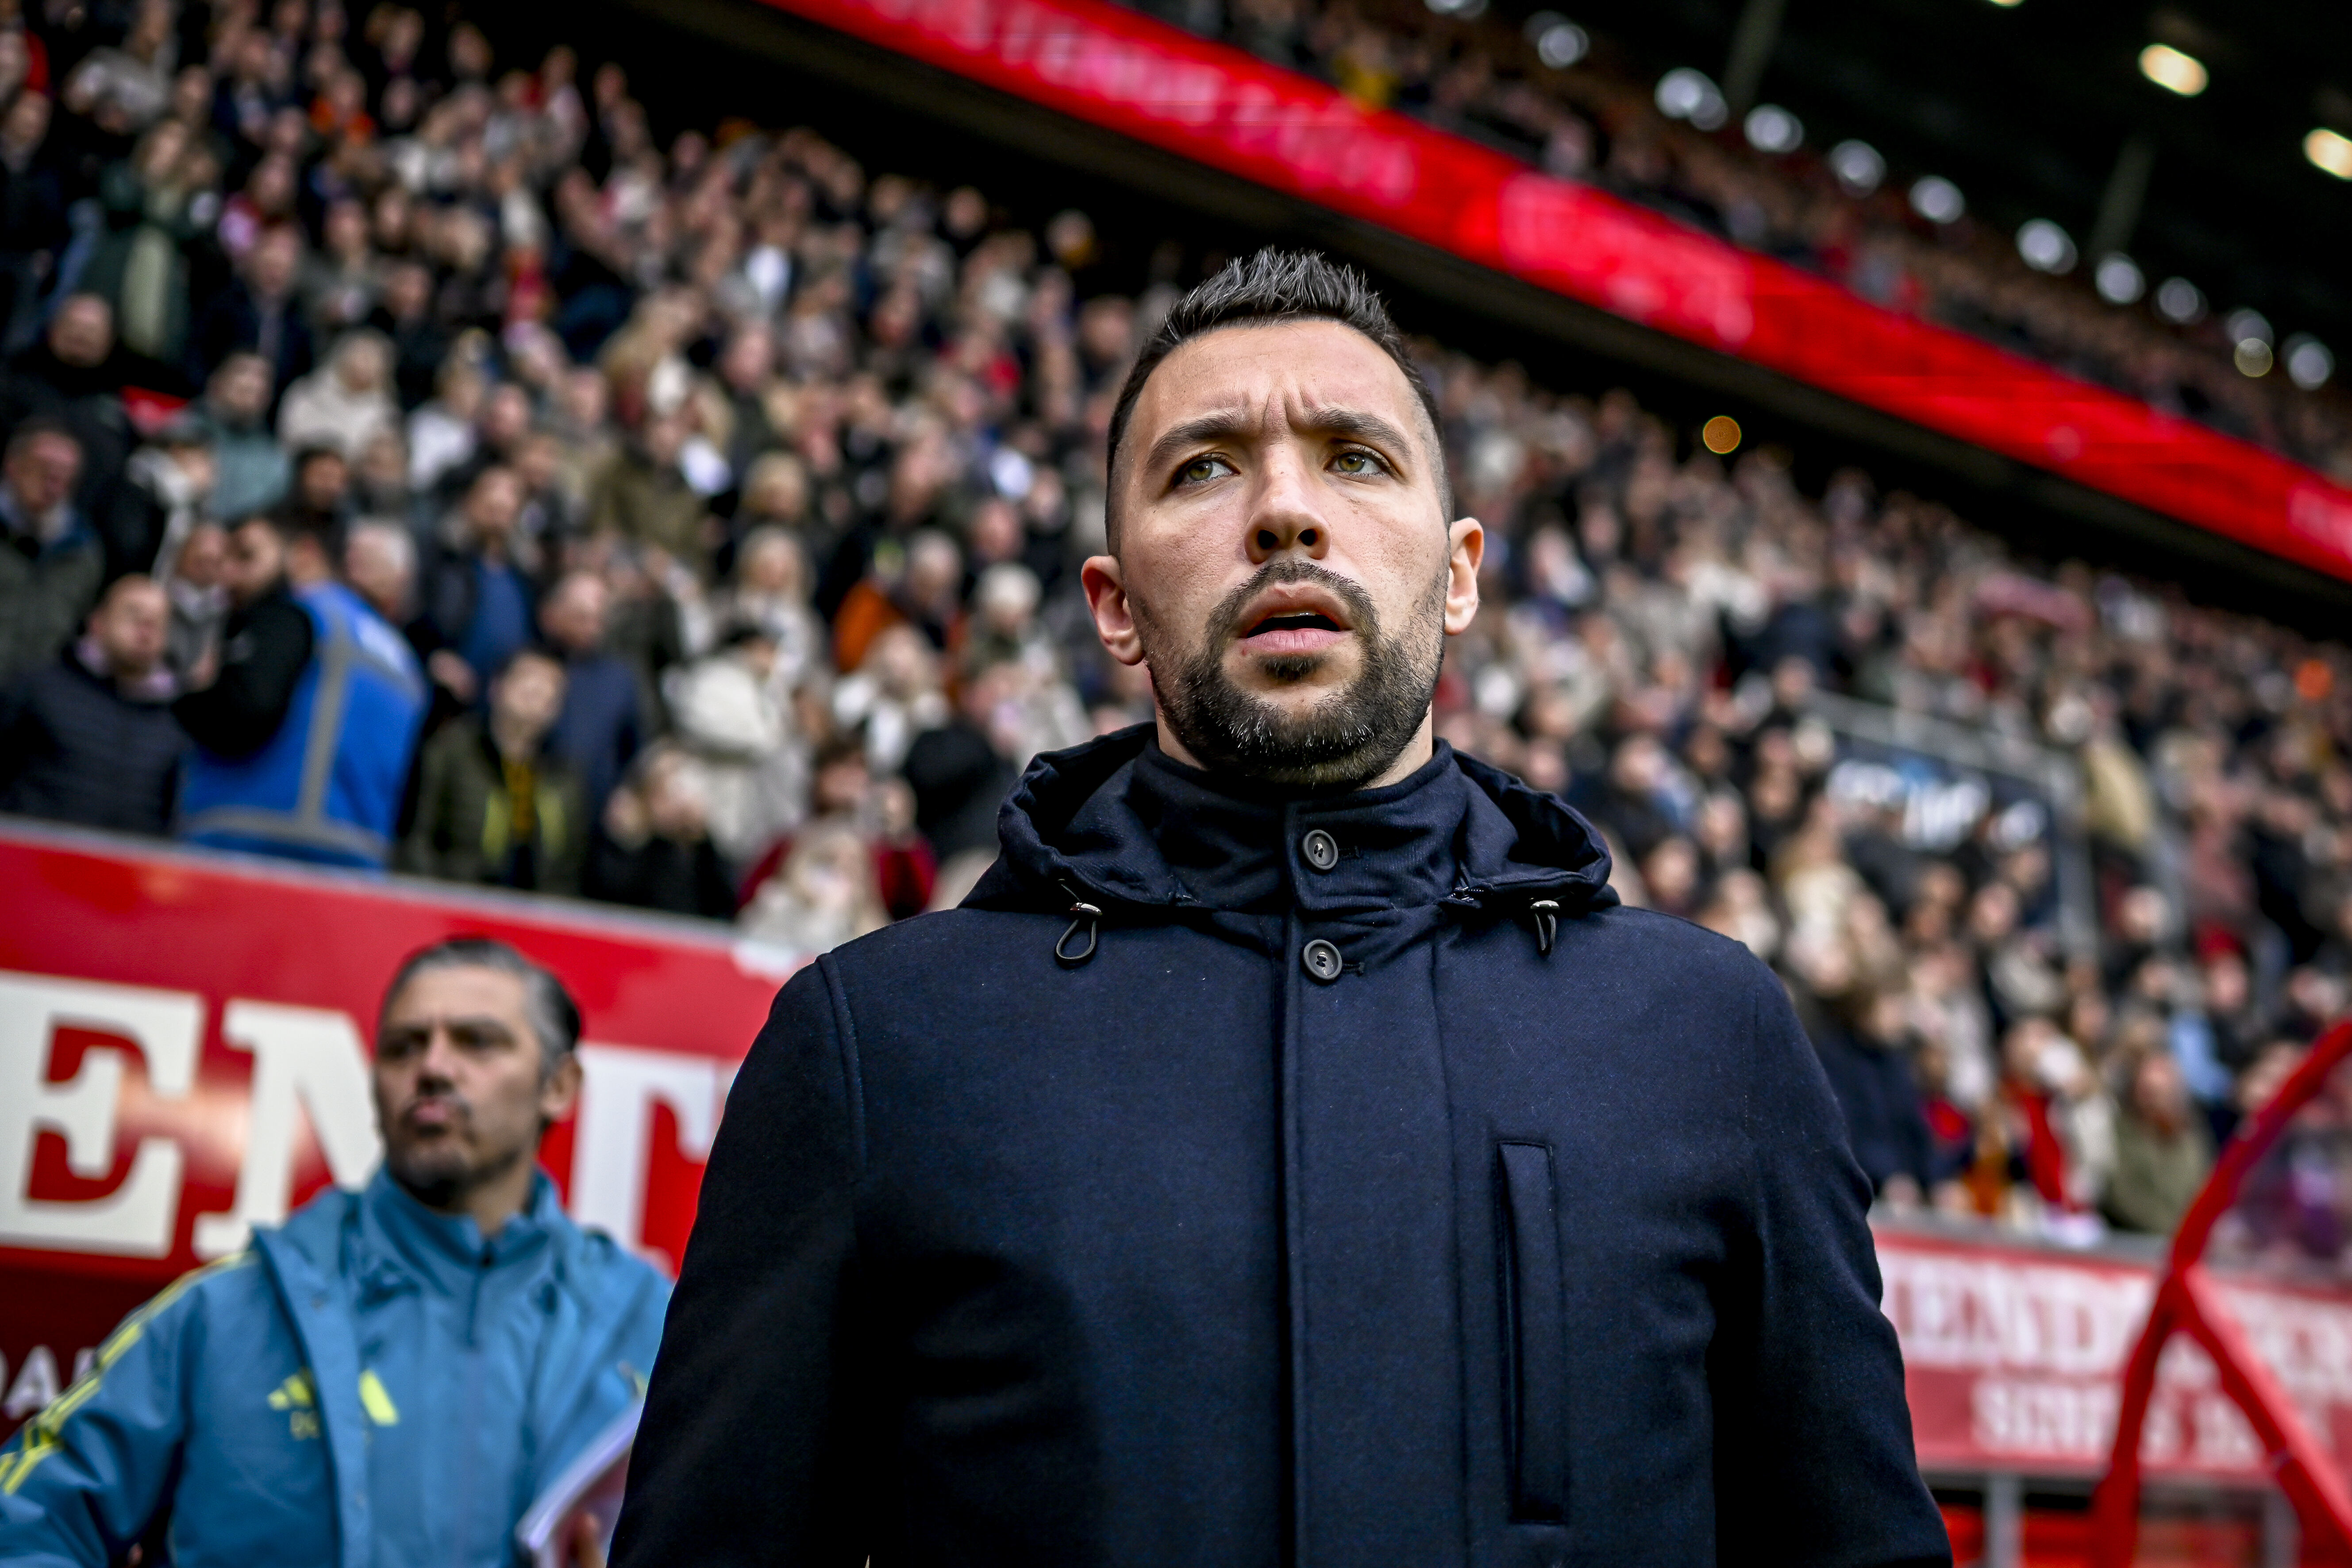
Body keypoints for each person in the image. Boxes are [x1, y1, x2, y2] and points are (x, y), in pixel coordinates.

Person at [614, 251, 1948, 1565]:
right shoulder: (876, 1043)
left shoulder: (1710, 1033)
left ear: (1460, 575)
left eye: (1355, 458)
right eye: (1204, 468)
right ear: (1114, 606)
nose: (1286, 513)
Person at [0, 937, 671, 1566]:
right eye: (404, 1047)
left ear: (559, 1085)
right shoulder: (226, 1314)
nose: (433, 1067)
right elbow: (23, 1526)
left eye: (477, 1041)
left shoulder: (656, 1329)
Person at [174, 513, 427, 867]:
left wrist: (192, 696)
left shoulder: (305, 612)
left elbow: (246, 709)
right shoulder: (407, 667)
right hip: (356, 866)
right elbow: (410, 797)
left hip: (247, 845)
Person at [0, 572, 186, 832]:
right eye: (134, 614)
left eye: (158, 622)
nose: (146, 629)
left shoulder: (172, 726)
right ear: (97, 621)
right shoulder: (36, 688)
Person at [400, 646, 587, 894]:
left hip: (535, 911)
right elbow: (416, 839)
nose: (538, 690)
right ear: (496, 687)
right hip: (454, 901)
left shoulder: (565, 780)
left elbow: (569, 871)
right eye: (528, 677)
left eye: (551, 686)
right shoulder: (451, 750)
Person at [0, 416, 100, 683]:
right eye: (44, 468)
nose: (53, 483)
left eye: (65, 475)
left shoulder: (83, 552)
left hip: (32, 697)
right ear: (13, 465)